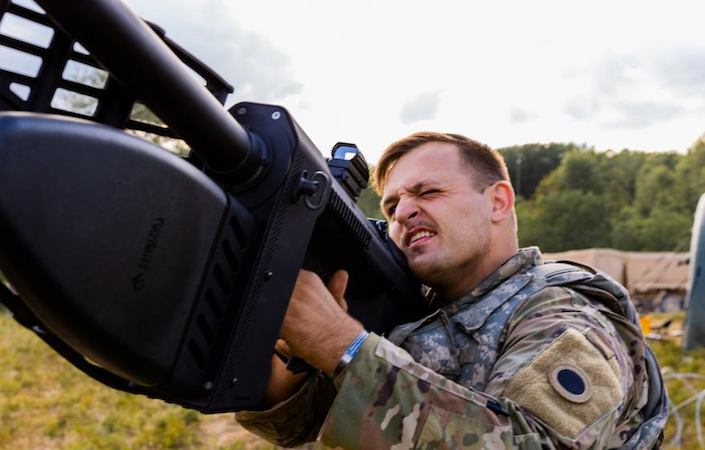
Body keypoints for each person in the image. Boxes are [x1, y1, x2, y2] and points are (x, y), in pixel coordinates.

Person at [236, 132, 669, 449]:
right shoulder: (408, 315)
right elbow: (301, 429)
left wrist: (339, 345)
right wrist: (282, 374)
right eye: (391, 205)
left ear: (498, 201)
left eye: (429, 192)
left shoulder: (564, 313)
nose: (403, 212)